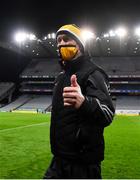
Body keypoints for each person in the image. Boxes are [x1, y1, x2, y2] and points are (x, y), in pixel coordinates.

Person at [44, 24, 115, 179]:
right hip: (58, 160)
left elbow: (107, 113)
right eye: (58, 41)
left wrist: (84, 103)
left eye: (66, 39)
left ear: (80, 44)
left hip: (83, 164)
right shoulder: (61, 77)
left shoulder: (94, 73)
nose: (61, 43)